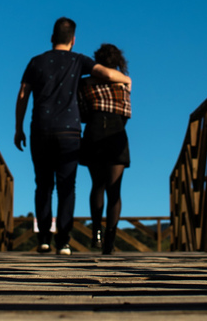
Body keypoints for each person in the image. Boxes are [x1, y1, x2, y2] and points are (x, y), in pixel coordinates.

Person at [15, 17, 132, 255]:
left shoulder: (35, 62)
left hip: (40, 128)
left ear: (52, 38)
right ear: (73, 39)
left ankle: (44, 239)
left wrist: (19, 127)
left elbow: (23, 94)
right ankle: (64, 242)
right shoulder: (78, 60)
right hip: (69, 131)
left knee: (43, 185)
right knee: (67, 186)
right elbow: (107, 75)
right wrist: (126, 79)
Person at [79, 42, 131, 255]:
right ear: (118, 61)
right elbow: (126, 114)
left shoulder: (85, 83)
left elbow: (81, 113)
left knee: (97, 186)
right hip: (117, 134)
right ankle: (110, 239)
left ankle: (96, 233)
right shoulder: (123, 84)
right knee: (114, 191)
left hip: (93, 133)